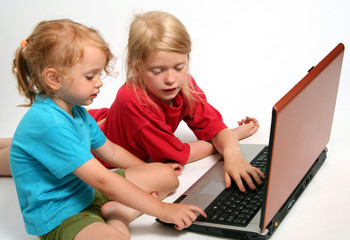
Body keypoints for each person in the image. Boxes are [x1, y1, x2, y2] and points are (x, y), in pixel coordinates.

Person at [9, 19, 206, 240]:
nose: (99, 83)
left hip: (89, 191)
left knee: (166, 175)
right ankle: (119, 215)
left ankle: (116, 208)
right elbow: (103, 179)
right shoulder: (50, 124)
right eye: (90, 76)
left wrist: (146, 172)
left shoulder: (76, 111)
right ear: (54, 79)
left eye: (99, 75)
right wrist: (163, 210)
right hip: (62, 214)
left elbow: (110, 151)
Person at [89, 11, 265, 193]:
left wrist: (231, 151)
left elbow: (211, 125)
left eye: (179, 67)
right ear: (136, 67)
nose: (171, 79)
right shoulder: (132, 100)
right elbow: (178, 154)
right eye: (158, 71)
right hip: (91, 145)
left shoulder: (184, 84)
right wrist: (232, 135)